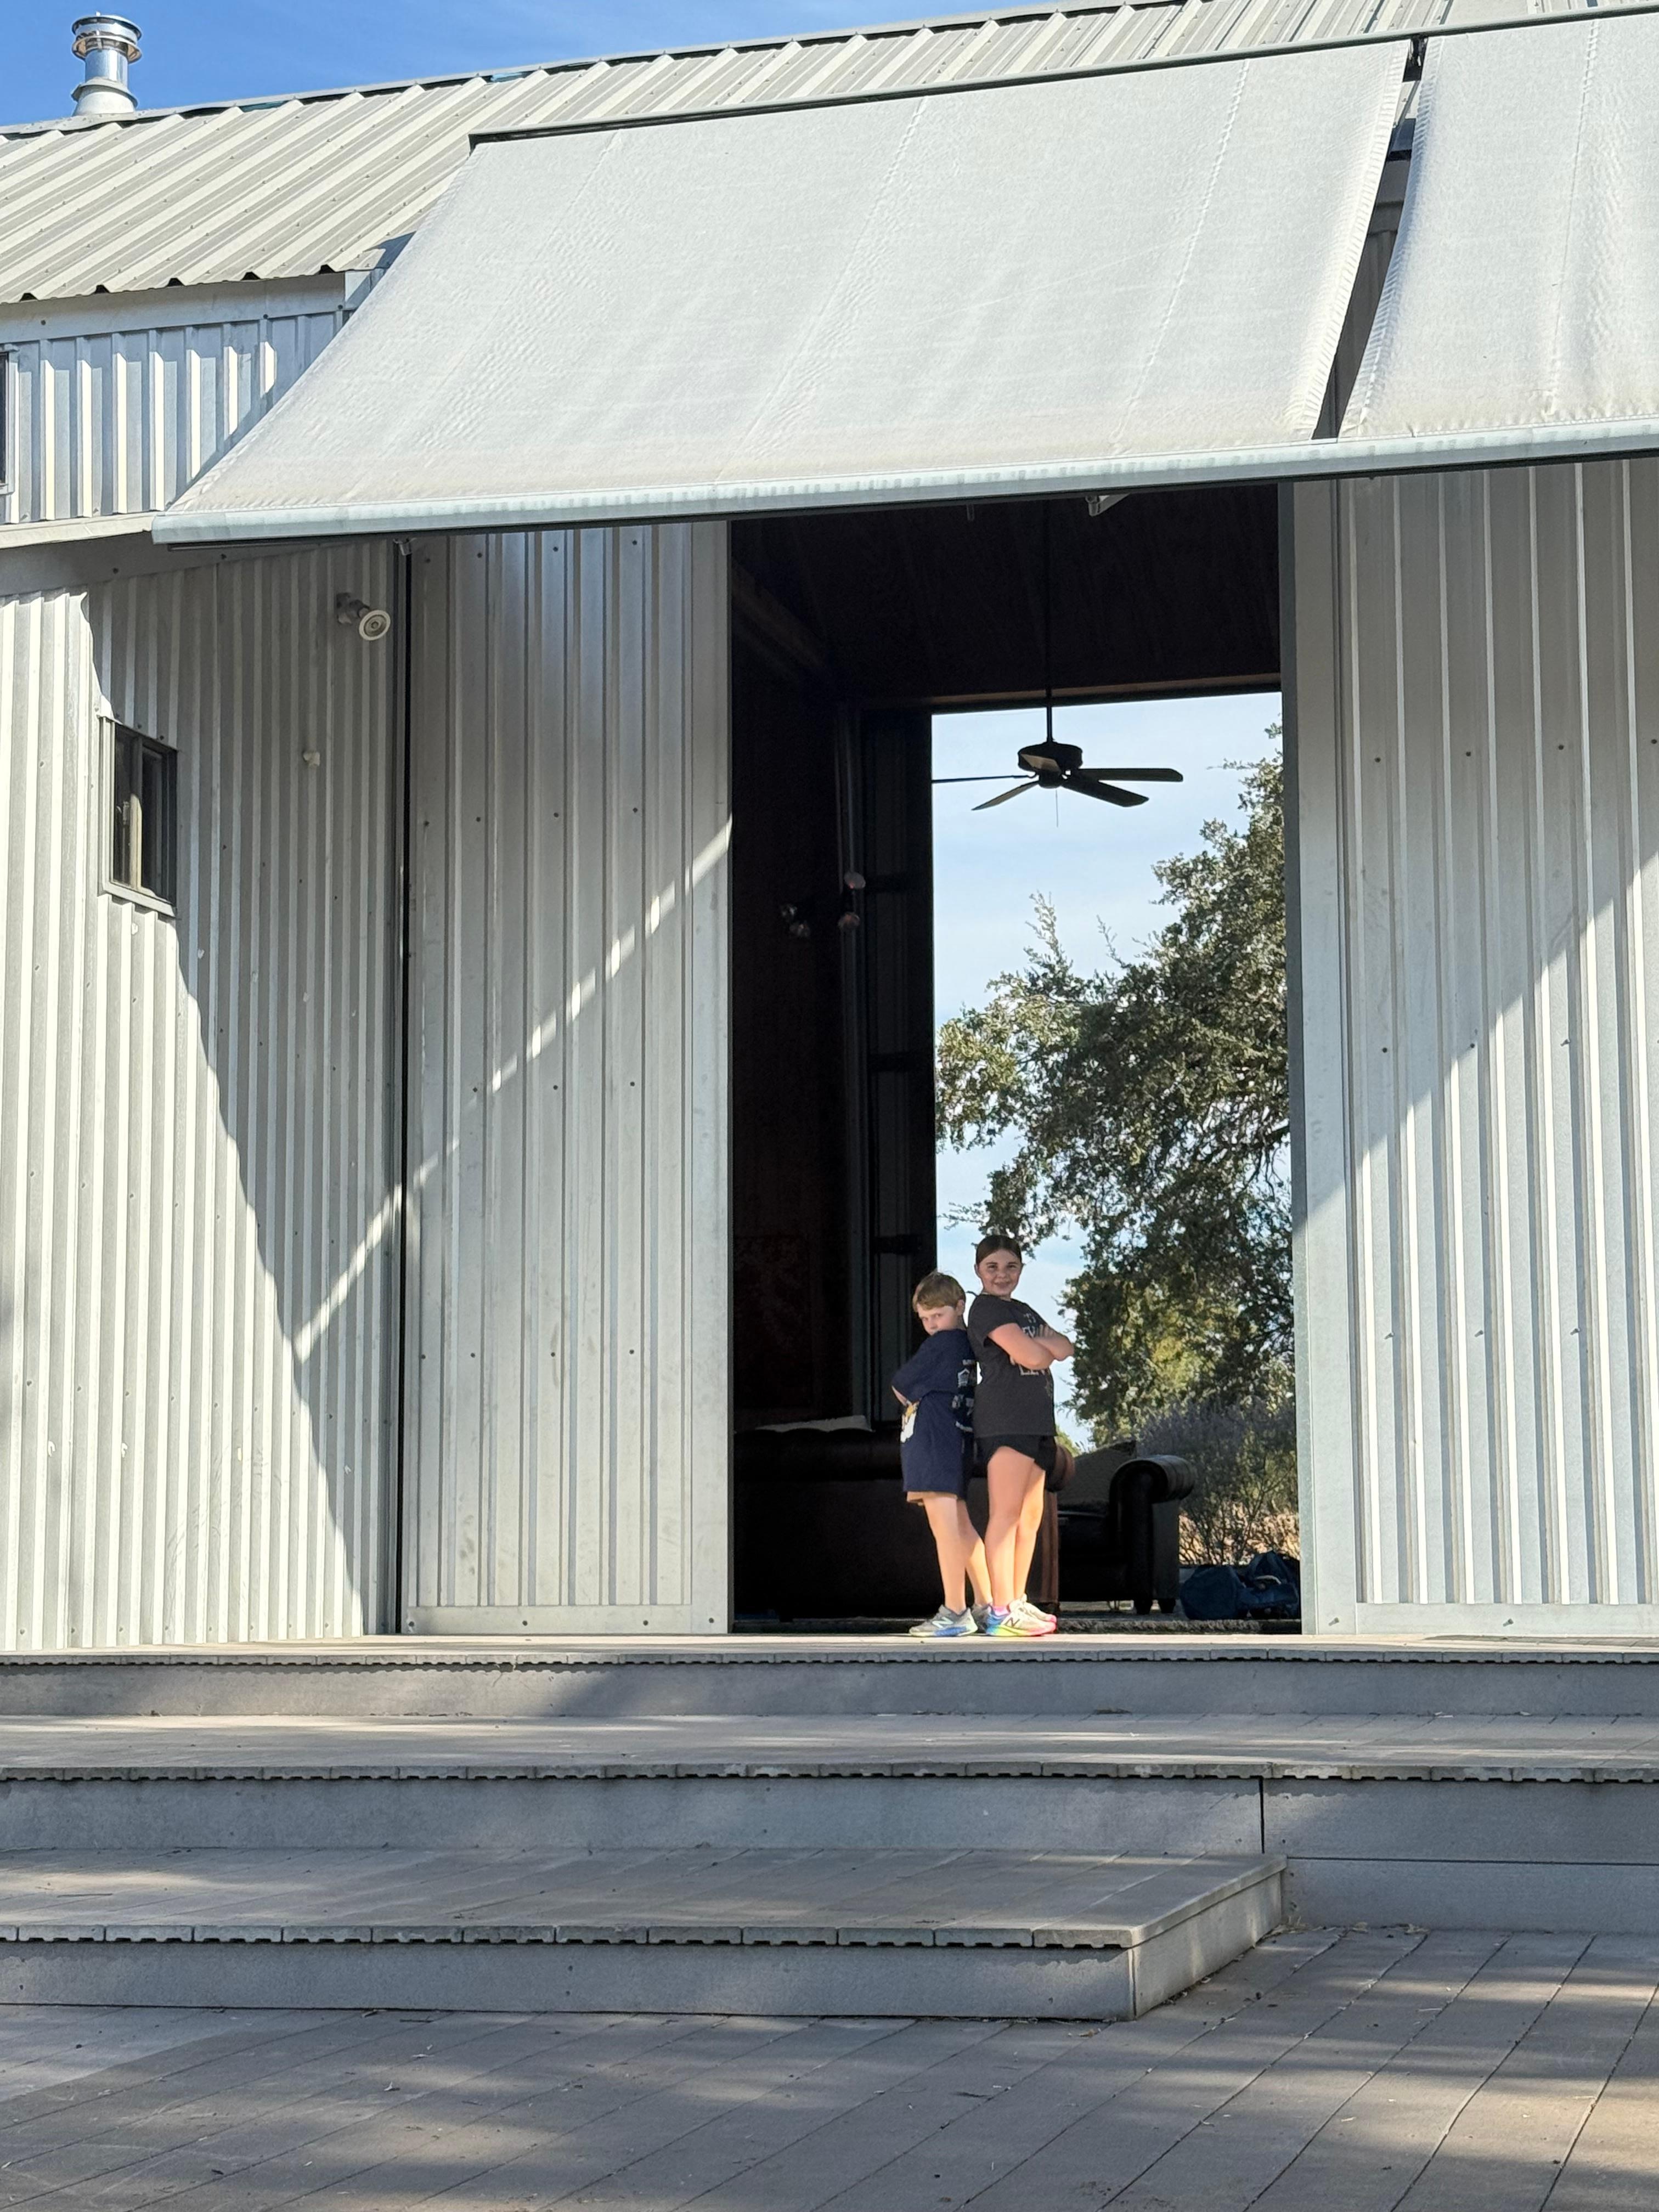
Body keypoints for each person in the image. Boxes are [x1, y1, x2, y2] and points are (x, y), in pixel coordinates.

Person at [967, 1233, 1074, 1638]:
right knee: (1006, 1515)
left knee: (1030, 1519)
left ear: (1021, 1270)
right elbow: (1034, 1356)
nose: (1002, 1275)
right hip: (1005, 1420)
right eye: (993, 1267)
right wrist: (1037, 1348)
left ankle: (1017, 1601)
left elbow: (1065, 1347)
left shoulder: (1023, 1310)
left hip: (1038, 1423)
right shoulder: (986, 1309)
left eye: (1011, 1266)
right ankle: (999, 1609)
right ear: (979, 1270)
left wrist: (1038, 1346)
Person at [891, 1272, 991, 1638]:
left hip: (931, 1442)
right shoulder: (967, 1345)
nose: (933, 1326)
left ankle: (955, 1610)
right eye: (926, 1319)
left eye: (938, 1315)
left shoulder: (939, 1345)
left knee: (945, 1530)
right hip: (958, 1442)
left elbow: (901, 1385)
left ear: (959, 1307)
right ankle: (986, 1604)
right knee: (963, 1528)